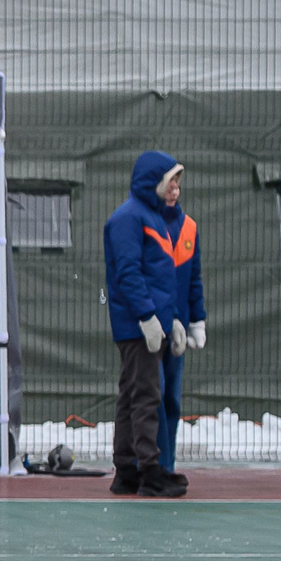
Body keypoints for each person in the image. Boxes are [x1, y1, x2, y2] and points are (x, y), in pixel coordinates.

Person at [102, 151, 202, 499]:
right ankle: (150, 471)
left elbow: (162, 280)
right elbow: (128, 273)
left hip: (151, 323)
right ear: (154, 182)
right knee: (146, 395)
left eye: (177, 181)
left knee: (133, 394)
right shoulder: (129, 218)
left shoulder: (152, 217)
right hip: (138, 325)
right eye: (170, 180)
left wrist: (172, 319)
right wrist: (146, 317)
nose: (175, 187)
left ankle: (126, 470)